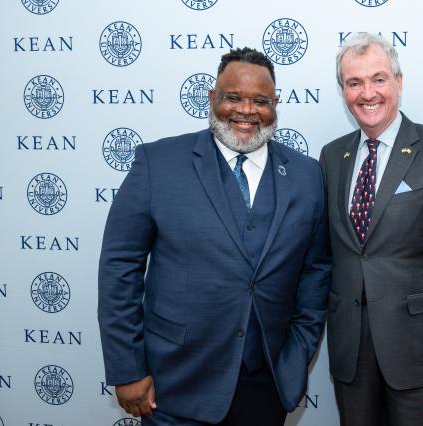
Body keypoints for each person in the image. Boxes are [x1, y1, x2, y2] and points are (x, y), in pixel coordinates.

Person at [98, 47, 331, 426]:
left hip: (267, 384)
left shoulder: (306, 174)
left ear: (275, 105)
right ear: (212, 99)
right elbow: (119, 269)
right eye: (233, 97)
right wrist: (127, 368)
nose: (246, 110)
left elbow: (316, 270)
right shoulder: (157, 164)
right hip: (175, 384)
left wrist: (299, 349)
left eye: (260, 101)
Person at [319, 33, 423, 426]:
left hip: (420, 358)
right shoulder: (331, 156)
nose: (367, 93)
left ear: (399, 82)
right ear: (343, 91)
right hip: (351, 357)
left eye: (378, 79)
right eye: (354, 83)